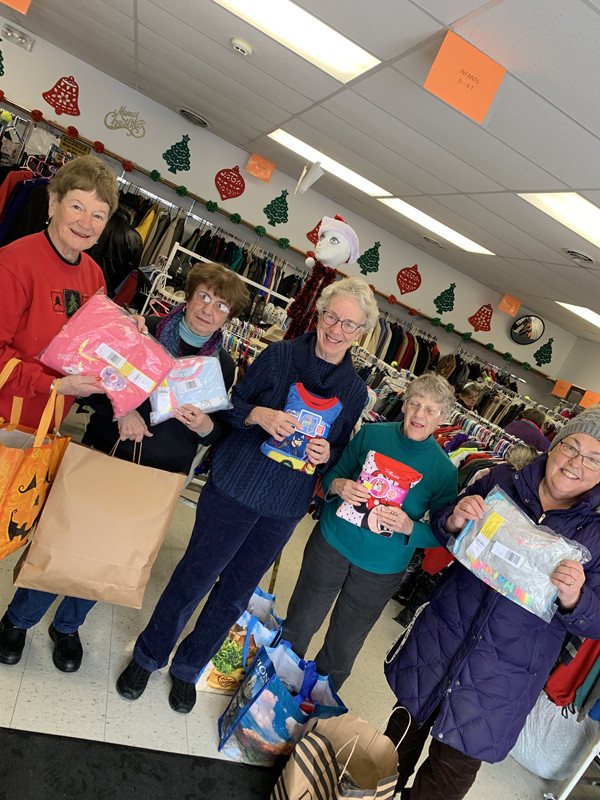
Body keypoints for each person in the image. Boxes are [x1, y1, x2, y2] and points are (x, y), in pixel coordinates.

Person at [116, 276, 379, 713]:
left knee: (235, 593)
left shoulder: (354, 391)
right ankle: (148, 655)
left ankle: (188, 668)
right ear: (319, 315)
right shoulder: (279, 355)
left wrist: (327, 451)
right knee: (194, 578)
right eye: (332, 317)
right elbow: (227, 404)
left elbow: (338, 455)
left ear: (361, 332)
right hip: (235, 486)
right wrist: (259, 414)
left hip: (283, 507)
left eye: (349, 325)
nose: (337, 330)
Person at [384, 406, 600, 800]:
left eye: (593, 458)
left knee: (445, 781)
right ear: (554, 446)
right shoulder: (504, 479)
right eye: (571, 447)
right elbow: (445, 525)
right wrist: (452, 520)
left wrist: (576, 599)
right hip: (440, 641)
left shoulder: (598, 535)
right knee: (385, 756)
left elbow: (596, 621)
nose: (576, 463)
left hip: (501, 680)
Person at [0, 155, 123, 673]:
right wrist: (52, 383)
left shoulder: (95, 274)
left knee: (12, 528)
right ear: (51, 204)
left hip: (48, 429)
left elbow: (88, 350)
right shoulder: (15, 259)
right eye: (76, 206)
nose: (86, 223)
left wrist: (124, 343)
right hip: (7, 421)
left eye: (98, 215)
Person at [281, 374, 457, 691]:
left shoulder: (444, 471)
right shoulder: (372, 434)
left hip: (380, 569)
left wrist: (410, 528)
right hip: (331, 544)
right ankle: (269, 688)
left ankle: (307, 709)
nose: (420, 414)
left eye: (431, 410)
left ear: (443, 419)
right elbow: (335, 472)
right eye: (416, 404)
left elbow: (443, 533)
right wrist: (337, 485)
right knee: (300, 621)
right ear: (404, 403)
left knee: (343, 646)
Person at [82, 261, 249, 473]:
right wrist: (122, 411)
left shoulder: (222, 365)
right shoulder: (144, 329)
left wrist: (205, 426)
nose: (208, 310)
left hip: (162, 475)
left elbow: (214, 431)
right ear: (188, 296)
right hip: (104, 452)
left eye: (221, 306)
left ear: (229, 316)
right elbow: (91, 380)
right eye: (204, 296)